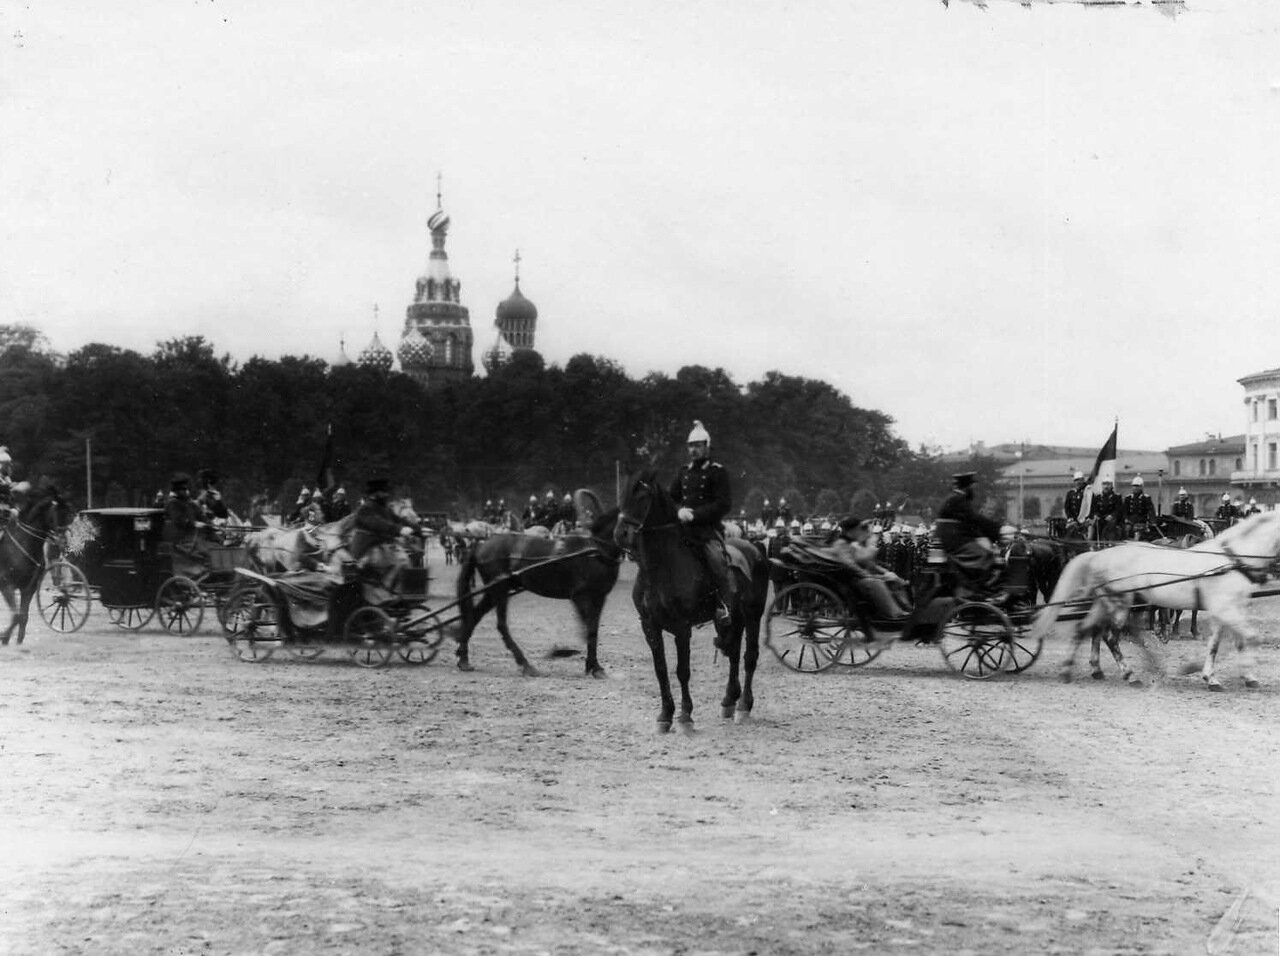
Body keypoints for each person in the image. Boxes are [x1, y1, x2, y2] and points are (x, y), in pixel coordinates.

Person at [669, 420, 735, 628]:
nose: (693, 449)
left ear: (707, 446)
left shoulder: (717, 471)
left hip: (707, 531)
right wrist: (678, 510)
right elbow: (671, 497)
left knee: (717, 562)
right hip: (683, 531)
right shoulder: (683, 472)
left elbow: (723, 504)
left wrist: (695, 515)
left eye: (698, 445)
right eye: (691, 445)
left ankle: (725, 607)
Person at [822, 516, 909, 622]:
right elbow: (849, 564)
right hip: (851, 579)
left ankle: (905, 608)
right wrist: (866, 574)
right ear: (851, 531)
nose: (860, 531)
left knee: (893, 580)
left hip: (859, 576)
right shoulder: (841, 544)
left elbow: (865, 562)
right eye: (858, 529)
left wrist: (884, 572)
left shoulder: (850, 543)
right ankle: (894, 613)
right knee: (876, 583)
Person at [938, 472, 1008, 600]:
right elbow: (974, 520)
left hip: (958, 540)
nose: (974, 490)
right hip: (957, 543)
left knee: (987, 552)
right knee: (985, 555)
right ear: (967, 487)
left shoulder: (956, 499)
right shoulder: (957, 500)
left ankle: (982, 589)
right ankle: (980, 590)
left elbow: (971, 524)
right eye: (972, 487)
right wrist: (998, 529)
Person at [350, 478, 420, 590]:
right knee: (395, 561)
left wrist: (418, 529)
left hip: (381, 548)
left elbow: (399, 520)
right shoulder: (365, 509)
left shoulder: (384, 509)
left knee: (404, 560)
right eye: (384, 492)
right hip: (366, 550)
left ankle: (398, 591)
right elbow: (378, 523)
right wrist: (399, 530)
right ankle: (386, 591)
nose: (386, 495)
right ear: (376, 494)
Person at [163, 473, 210, 576]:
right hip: (183, 540)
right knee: (207, 549)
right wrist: (194, 524)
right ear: (177, 491)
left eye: (186, 489)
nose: (186, 492)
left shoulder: (190, 504)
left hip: (194, 537)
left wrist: (209, 524)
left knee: (216, 544)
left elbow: (201, 516)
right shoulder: (173, 504)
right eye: (183, 490)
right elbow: (178, 520)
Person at [1122, 475, 1157, 540]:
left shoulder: (1146, 498)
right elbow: (1124, 511)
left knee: (1139, 532)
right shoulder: (1128, 498)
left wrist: (1153, 521)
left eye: (1137, 486)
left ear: (1141, 487)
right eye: (1134, 486)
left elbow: (1150, 510)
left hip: (1141, 521)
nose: (1135, 488)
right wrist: (1126, 519)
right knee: (1125, 531)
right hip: (1129, 521)